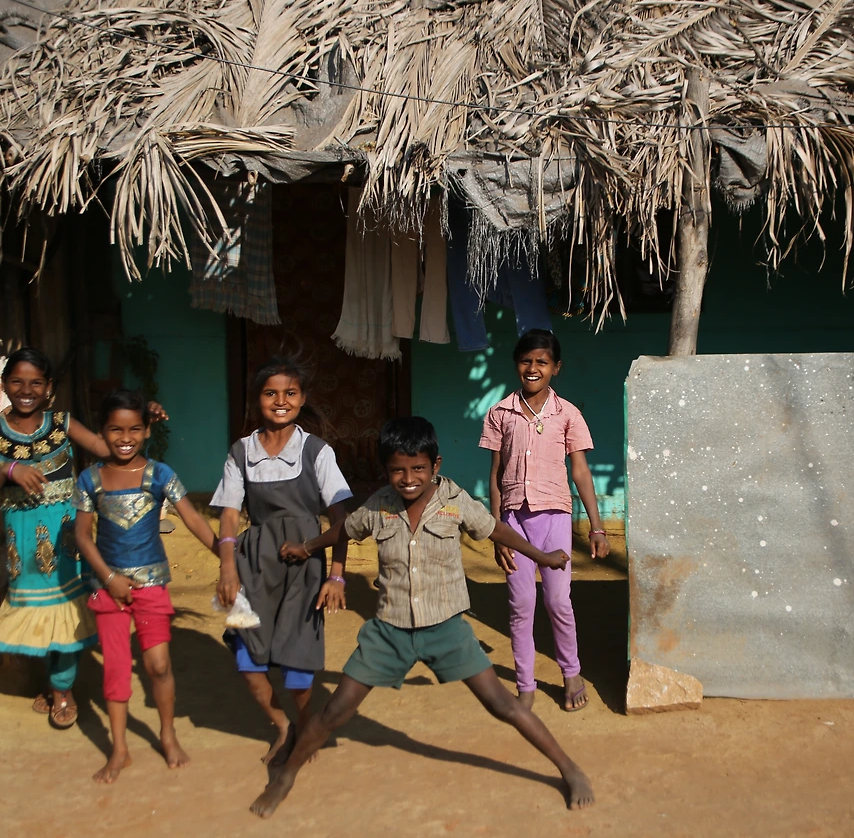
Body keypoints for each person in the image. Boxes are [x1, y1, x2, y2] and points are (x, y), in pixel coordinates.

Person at [248, 416, 595, 819]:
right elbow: (344, 530)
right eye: (398, 469)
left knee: (504, 706)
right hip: (389, 631)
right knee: (335, 712)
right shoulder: (378, 505)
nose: (408, 478)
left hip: (446, 628)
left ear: (436, 465)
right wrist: (307, 547)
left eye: (418, 468)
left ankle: (569, 769)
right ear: (385, 469)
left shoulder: (454, 500)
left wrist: (542, 557)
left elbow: (496, 530)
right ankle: (286, 777)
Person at [0, 348, 167, 730]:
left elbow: (108, 449)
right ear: (4, 385)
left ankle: (62, 689)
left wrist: (141, 420)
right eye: (17, 382)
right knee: (39, 614)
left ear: (49, 388)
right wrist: (8, 471)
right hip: (23, 543)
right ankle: (52, 679)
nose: (26, 390)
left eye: (35, 383)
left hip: (67, 538)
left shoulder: (62, 423)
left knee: (68, 609)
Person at [211, 357, 353, 764]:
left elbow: (341, 519)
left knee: (298, 665)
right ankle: (282, 726)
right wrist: (227, 569)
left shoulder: (317, 452)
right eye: (270, 393)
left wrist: (337, 576)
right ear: (257, 399)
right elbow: (229, 516)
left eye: (290, 393)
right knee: (247, 661)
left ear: (302, 398)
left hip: (305, 568)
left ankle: (306, 724)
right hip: (254, 565)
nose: (280, 401)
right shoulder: (241, 452)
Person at [74, 389, 218, 783]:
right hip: (107, 588)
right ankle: (119, 749)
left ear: (147, 430)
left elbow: (193, 519)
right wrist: (109, 579)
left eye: (134, 429)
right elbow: (83, 536)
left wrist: (227, 555)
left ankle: (167, 735)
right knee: (116, 670)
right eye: (115, 430)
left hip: (152, 586)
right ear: (102, 432)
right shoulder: (90, 479)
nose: (126, 438)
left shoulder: (160, 475)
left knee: (158, 665)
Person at [478, 329, 610, 712]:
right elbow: (495, 474)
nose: (533, 368)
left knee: (557, 601)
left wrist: (597, 527)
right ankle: (526, 684)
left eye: (542, 362)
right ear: (516, 364)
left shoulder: (567, 414)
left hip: (554, 518)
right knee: (521, 604)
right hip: (513, 522)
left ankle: (571, 673)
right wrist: (497, 530)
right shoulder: (500, 414)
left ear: (556, 368)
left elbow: (580, 471)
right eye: (526, 361)